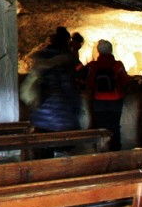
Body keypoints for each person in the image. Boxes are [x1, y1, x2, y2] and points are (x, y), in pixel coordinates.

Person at [27, 27, 82, 155]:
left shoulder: (41, 57)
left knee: (44, 151)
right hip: (63, 115)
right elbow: (72, 85)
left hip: (42, 115)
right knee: (63, 154)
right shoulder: (68, 60)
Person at [84, 40, 128, 151]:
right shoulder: (117, 65)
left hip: (98, 99)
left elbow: (90, 82)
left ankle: (101, 149)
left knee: (100, 126)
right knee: (114, 126)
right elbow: (125, 81)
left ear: (98, 51)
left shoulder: (94, 65)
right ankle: (115, 150)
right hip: (116, 99)